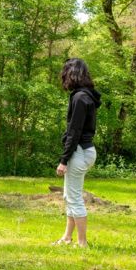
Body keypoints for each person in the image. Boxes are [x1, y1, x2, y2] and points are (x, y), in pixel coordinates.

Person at [54, 58, 101, 248]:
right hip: (86, 151)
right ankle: (67, 237)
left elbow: (74, 131)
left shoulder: (80, 98)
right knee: (70, 196)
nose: (63, 75)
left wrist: (64, 160)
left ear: (72, 74)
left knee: (74, 198)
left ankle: (82, 243)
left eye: (65, 72)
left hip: (80, 151)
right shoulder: (85, 95)